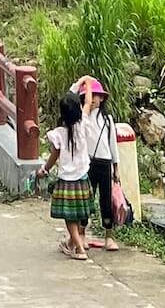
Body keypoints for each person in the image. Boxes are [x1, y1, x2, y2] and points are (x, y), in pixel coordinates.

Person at [40, 90, 92, 261]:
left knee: (69, 217)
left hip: (67, 180)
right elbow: (88, 103)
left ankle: (79, 249)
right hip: (82, 178)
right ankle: (71, 243)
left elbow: (54, 156)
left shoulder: (59, 134)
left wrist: (45, 169)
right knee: (76, 214)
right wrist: (88, 82)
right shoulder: (83, 124)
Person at [74, 76, 121, 251]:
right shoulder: (82, 117)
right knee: (87, 199)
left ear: (102, 98)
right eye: (90, 95)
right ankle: (82, 233)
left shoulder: (107, 120)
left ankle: (109, 235)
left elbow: (112, 145)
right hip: (88, 163)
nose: (94, 99)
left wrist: (116, 168)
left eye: (97, 95)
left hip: (105, 162)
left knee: (106, 200)